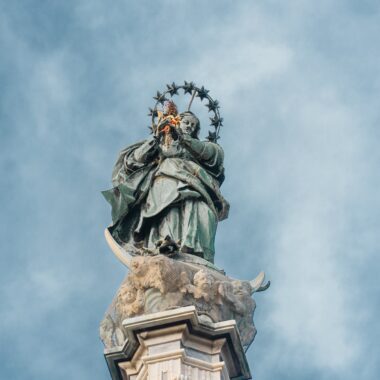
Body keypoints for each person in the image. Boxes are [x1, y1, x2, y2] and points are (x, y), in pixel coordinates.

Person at [103, 108, 229, 264]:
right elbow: (133, 160)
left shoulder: (205, 147)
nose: (189, 126)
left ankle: (198, 254)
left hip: (199, 184)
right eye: (186, 122)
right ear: (177, 122)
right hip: (167, 178)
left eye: (193, 125)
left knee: (203, 213)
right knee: (170, 210)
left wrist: (182, 139)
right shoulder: (162, 143)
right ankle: (165, 244)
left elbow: (212, 155)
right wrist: (158, 136)